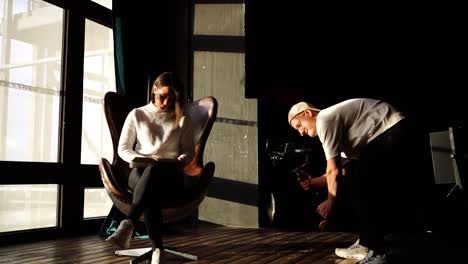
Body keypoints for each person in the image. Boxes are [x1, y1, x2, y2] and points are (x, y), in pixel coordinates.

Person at [288, 98, 428, 264]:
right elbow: (344, 170)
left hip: (390, 128)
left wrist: (330, 202)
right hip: (383, 135)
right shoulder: (337, 127)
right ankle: (365, 244)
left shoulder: (324, 119)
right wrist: (312, 182)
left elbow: (334, 171)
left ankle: (377, 253)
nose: (300, 132)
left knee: (364, 188)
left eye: (298, 125)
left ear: (308, 113)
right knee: (357, 182)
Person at [105, 72, 195, 264]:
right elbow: (123, 149)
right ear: (154, 89)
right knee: (151, 174)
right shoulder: (137, 114)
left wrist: (180, 160)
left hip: (171, 176)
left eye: (171, 99)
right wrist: (142, 158)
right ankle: (157, 251)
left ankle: (128, 226)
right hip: (138, 172)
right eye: (163, 97)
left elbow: (189, 152)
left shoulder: (183, 119)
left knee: (154, 178)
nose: (166, 103)